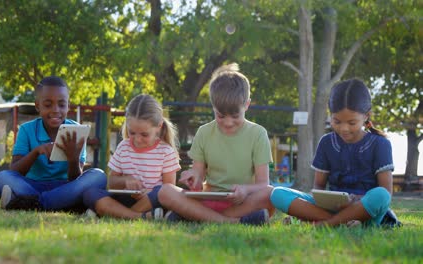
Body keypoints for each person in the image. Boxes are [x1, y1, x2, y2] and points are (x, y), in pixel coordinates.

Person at [158, 63, 275, 225]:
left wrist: (245, 190)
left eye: (235, 116)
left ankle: (196, 216)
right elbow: (199, 175)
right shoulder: (204, 132)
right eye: (220, 116)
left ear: (247, 105)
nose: (228, 123)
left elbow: (263, 184)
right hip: (208, 200)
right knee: (165, 191)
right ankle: (234, 221)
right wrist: (193, 178)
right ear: (213, 106)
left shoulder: (258, 134)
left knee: (271, 193)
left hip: (241, 202)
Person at [270, 78, 398, 227]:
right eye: (337, 121)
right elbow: (318, 186)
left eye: (352, 123)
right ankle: (341, 222)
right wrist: (326, 200)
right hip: (332, 207)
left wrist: (355, 200)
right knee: (277, 193)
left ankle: (325, 223)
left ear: (366, 116)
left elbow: (387, 193)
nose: (344, 128)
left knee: (380, 196)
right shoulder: (326, 142)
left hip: (365, 208)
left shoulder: (380, 144)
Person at [0, 76, 107, 212]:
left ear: (68, 105)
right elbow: (16, 171)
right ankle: (65, 204)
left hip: (65, 187)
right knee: (2, 177)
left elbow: (75, 179)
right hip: (32, 186)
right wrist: (36, 152)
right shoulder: (26, 130)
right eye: (48, 105)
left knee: (99, 176)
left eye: (61, 104)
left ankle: (33, 203)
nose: (55, 110)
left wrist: (73, 159)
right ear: (38, 106)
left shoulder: (76, 131)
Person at [82, 94, 181, 219]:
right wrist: (125, 180)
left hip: (151, 201)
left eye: (144, 134)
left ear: (159, 127)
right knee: (90, 192)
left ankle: (112, 213)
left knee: (160, 195)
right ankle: (142, 217)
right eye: (132, 133)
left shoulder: (166, 152)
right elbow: (111, 183)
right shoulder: (124, 147)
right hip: (125, 199)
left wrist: (149, 193)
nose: (137, 140)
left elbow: (169, 190)